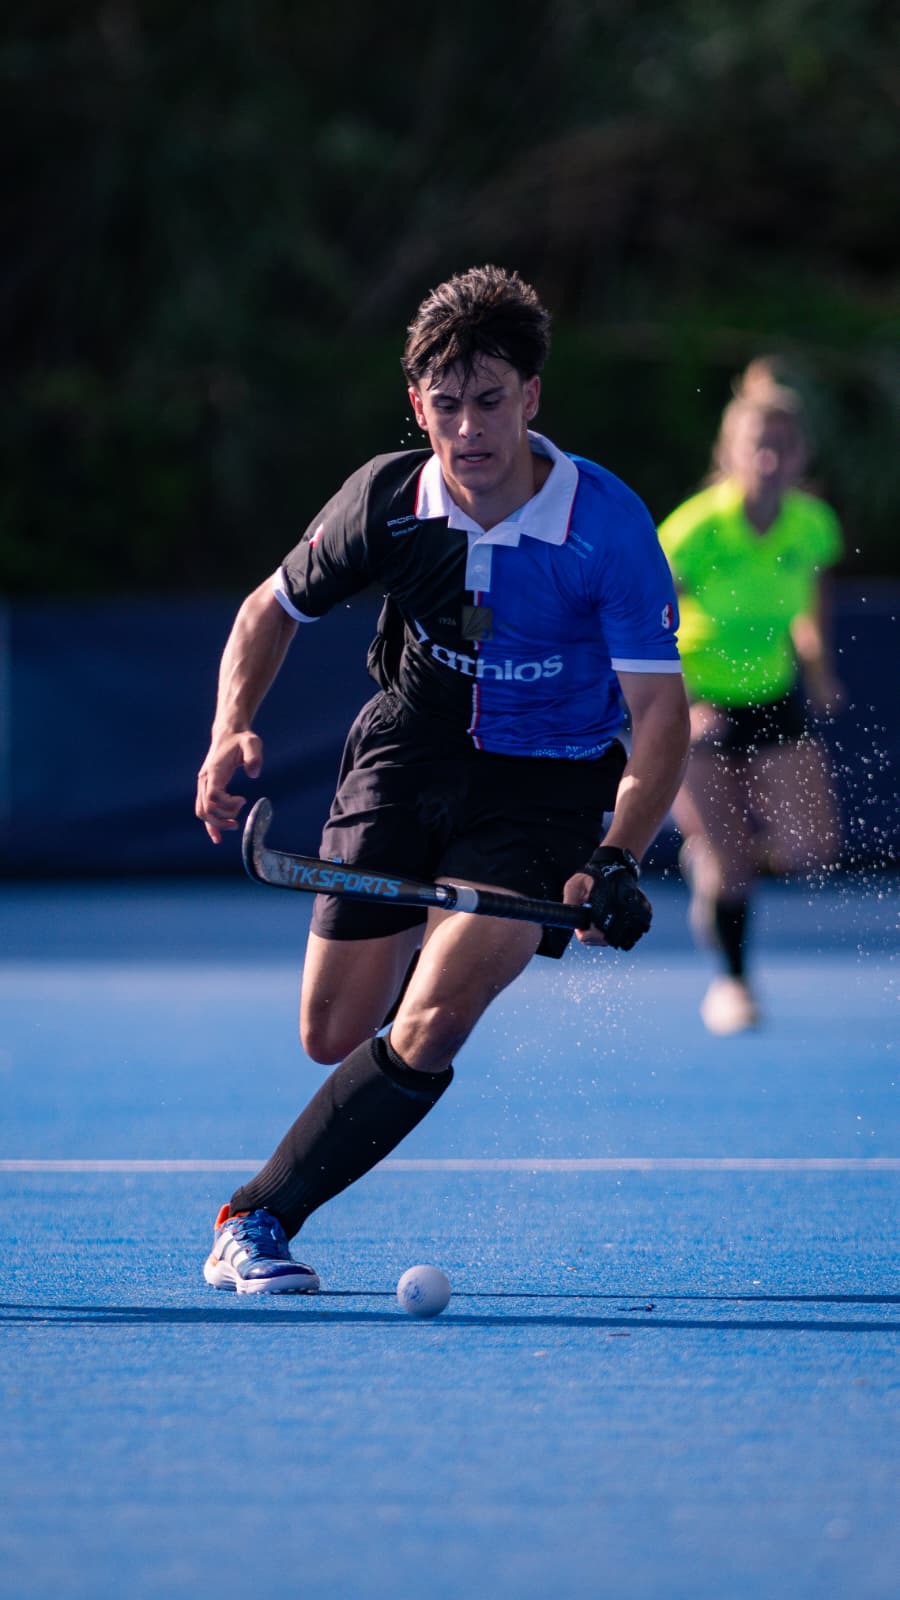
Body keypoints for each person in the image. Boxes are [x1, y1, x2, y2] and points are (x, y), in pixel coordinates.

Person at [195, 264, 690, 1293]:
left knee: (433, 1019)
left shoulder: (606, 527)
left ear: (532, 397)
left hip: (547, 784)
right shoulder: (388, 500)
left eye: (492, 400)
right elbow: (267, 611)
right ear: (417, 404)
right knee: (332, 1032)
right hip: (410, 749)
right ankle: (429, 926)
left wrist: (616, 855)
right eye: (448, 404)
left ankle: (255, 1218)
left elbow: (659, 717)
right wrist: (230, 726)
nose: (470, 429)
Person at [658, 359, 843, 1037]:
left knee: (812, 850)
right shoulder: (692, 530)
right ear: (729, 453)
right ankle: (733, 984)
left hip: (773, 693)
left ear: (801, 455)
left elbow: (812, 599)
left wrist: (817, 670)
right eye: (757, 446)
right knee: (732, 869)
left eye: (782, 447)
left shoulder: (812, 524)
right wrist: (682, 707)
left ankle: (714, 853)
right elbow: (644, 624)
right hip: (698, 699)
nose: (769, 460)